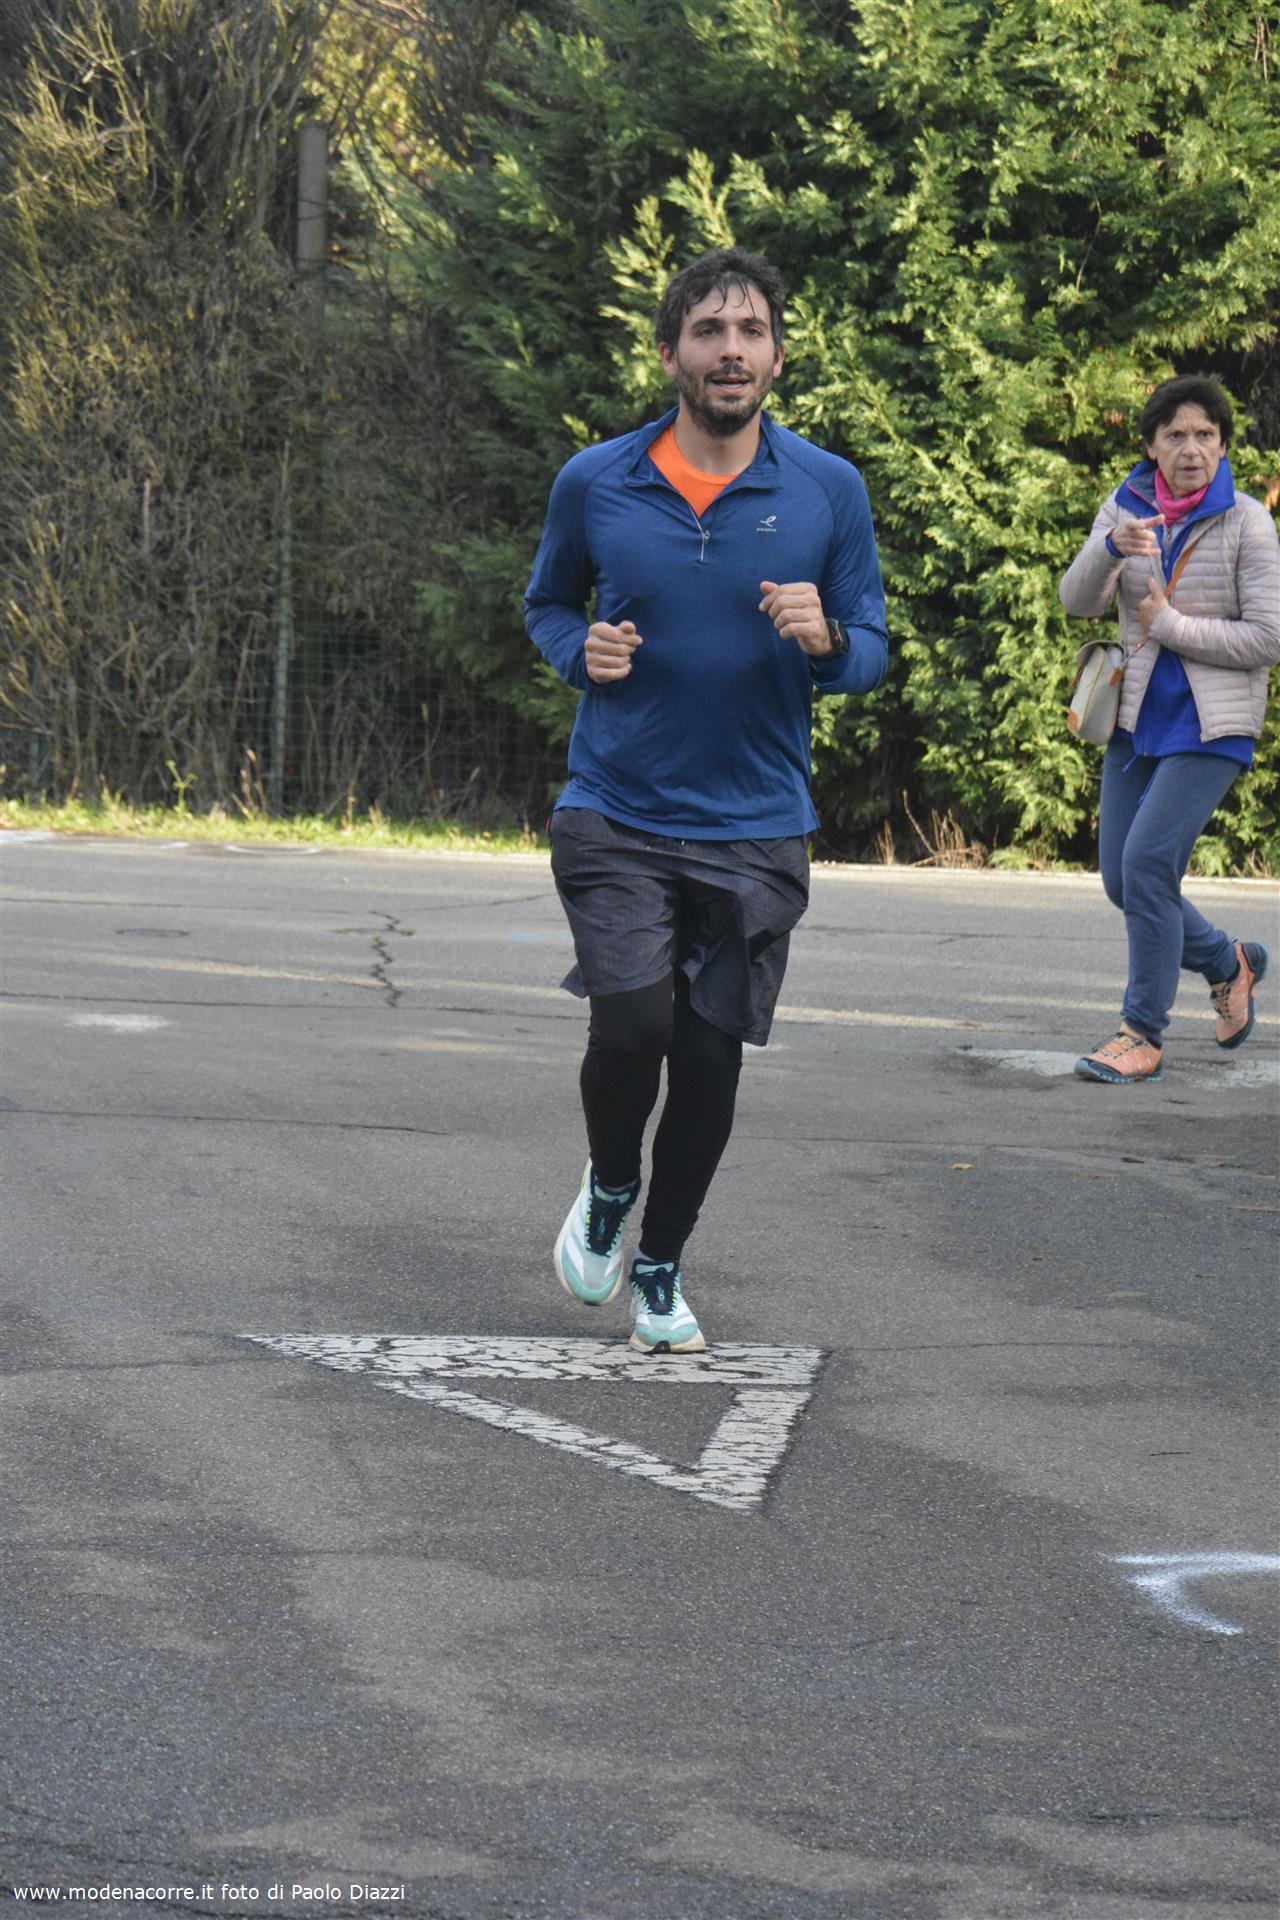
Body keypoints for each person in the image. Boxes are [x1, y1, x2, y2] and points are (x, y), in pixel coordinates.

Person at [524, 246, 887, 1351]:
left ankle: (661, 1265)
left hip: (755, 824)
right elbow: (547, 605)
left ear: (777, 357)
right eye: (708, 331)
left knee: (710, 1059)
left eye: (750, 332)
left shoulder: (826, 488)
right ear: (669, 351)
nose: (731, 350)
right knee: (634, 1023)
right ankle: (607, 1186)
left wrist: (827, 641)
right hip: (616, 808)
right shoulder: (596, 479)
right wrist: (578, 651)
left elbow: (871, 647)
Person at [1060, 373, 1280, 1083]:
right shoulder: (1125, 507)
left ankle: (1141, 1034)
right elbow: (1076, 601)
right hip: (1136, 721)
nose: (1192, 449)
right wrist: (1110, 548)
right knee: (1122, 882)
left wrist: (1171, 626)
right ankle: (1227, 962)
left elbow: (1269, 637)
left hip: (1212, 727)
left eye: (1206, 436)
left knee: (1150, 867)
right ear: (1151, 445)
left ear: (1223, 446)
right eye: (1176, 435)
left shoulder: (1248, 521)